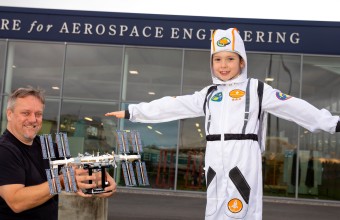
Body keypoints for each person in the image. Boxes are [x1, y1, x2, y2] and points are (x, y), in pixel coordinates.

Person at [105, 28, 340, 220]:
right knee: (216, 204)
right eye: (217, 59)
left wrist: (331, 123)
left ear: (241, 62)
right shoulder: (209, 93)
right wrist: (132, 111)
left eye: (230, 58)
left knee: (243, 203)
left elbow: (294, 106)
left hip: (243, 153)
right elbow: (173, 105)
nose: (223, 65)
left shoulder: (256, 89)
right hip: (215, 154)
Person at [0, 86, 117, 220]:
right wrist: (60, 181)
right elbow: (16, 202)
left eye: (38, 114)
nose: (33, 119)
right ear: (9, 114)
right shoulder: (4, 150)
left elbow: (75, 170)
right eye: (26, 113)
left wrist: (100, 177)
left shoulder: (48, 146)